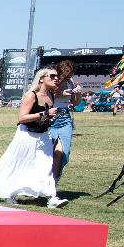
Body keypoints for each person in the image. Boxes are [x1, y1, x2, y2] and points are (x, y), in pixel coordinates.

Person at [0, 66, 59, 205]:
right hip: (26, 134)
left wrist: (50, 118)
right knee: (18, 163)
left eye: (57, 76)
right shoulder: (31, 95)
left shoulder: (50, 95)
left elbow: (45, 117)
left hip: (43, 135)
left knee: (46, 164)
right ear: (41, 79)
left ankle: (51, 197)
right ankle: (9, 193)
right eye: (52, 76)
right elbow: (22, 118)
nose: (56, 79)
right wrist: (44, 114)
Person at [47, 60, 84, 188]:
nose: (67, 77)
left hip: (65, 119)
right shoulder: (52, 80)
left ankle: (53, 184)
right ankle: (45, 182)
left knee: (63, 153)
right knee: (47, 152)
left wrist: (78, 93)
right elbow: (44, 96)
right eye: (65, 74)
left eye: (69, 74)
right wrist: (60, 93)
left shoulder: (70, 82)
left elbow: (75, 103)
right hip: (50, 118)